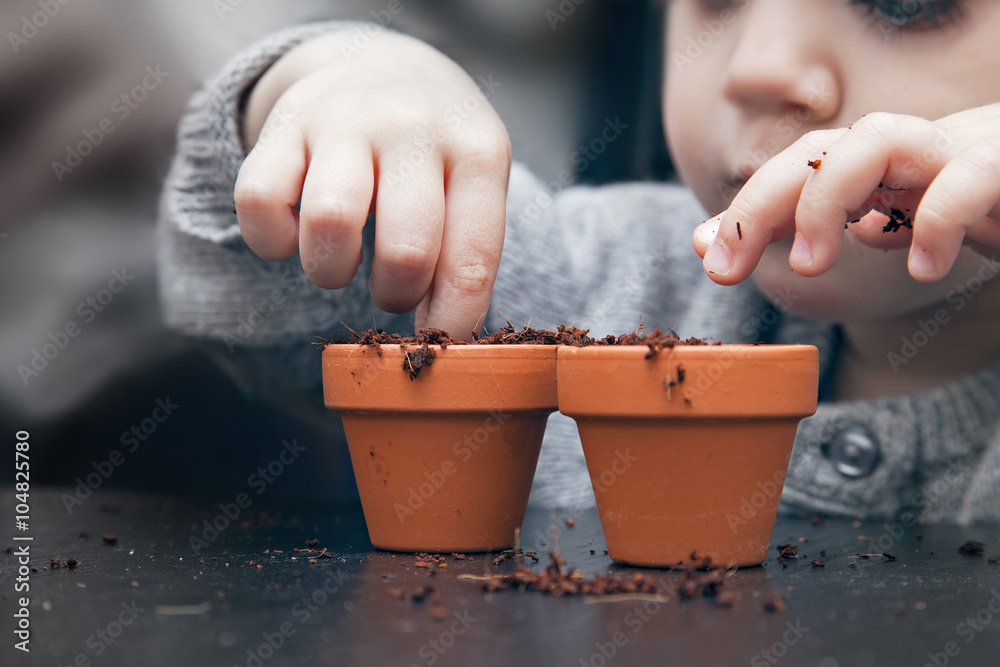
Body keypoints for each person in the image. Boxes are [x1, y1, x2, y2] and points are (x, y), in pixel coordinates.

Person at [158, 1, 1000, 523]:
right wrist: (334, 84)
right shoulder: (603, 278)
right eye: (716, 1)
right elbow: (266, 302)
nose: (756, 68)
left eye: (904, 3)